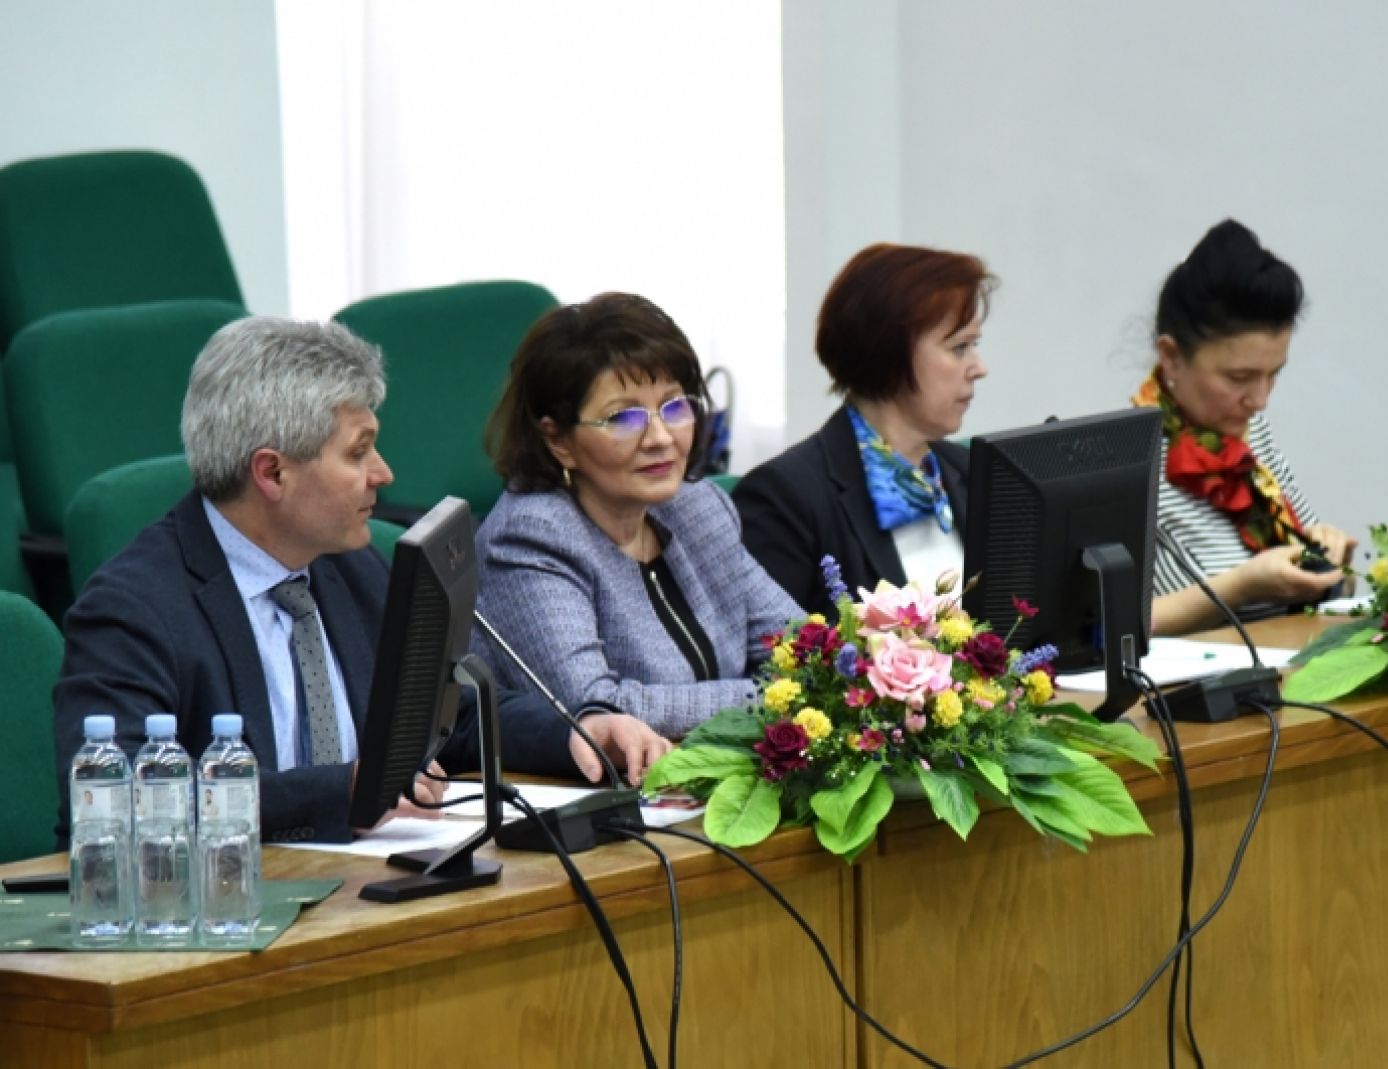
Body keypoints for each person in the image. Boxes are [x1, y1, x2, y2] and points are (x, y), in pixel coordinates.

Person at [53, 317, 669, 846]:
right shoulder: (134, 607)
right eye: (358, 453)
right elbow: (117, 797)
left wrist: (576, 733)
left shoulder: (350, 564)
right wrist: (341, 792)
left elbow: (446, 719)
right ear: (272, 473)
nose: (384, 473)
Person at [475, 293, 801, 738]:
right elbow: (598, 708)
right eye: (624, 418)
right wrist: (777, 699)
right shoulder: (530, 538)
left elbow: (805, 650)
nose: (660, 437)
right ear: (558, 441)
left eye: (674, 407)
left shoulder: (698, 507)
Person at [734, 243, 994, 615]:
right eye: (959, 347)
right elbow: (770, 646)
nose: (979, 368)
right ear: (889, 350)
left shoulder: (968, 470)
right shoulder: (785, 498)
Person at [1134, 220, 1356, 635]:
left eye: (1274, 374)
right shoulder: (1129, 461)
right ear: (1171, 357)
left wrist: (1327, 557)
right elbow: (1105, 630)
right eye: (1239, 378)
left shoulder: (1251, 438)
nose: (1259, 400)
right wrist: (1241, 586)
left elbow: (1305, 578)